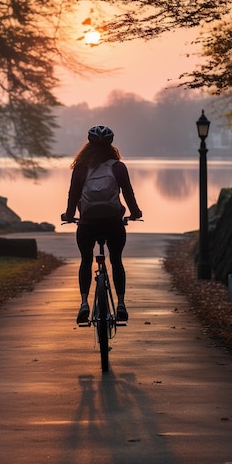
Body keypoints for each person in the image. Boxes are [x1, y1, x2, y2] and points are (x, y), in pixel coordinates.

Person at [61, 125, 142, 324]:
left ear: (88, 145)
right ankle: (121, 304)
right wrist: (135, 213)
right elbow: (128, 194)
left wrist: (69, 215)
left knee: (86, 260)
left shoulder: (81, 168)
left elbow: (74, 195)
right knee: (116, 260)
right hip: (113, 224)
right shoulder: (118, 167)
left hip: (88, 225)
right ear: (111, 145)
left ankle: (83, 304)